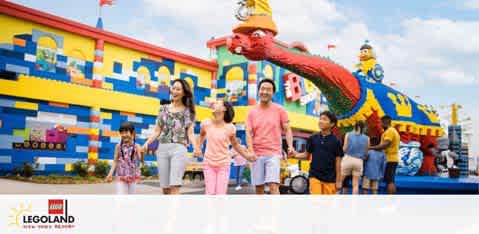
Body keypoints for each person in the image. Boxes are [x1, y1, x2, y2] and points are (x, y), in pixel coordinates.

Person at [142, 79, 200, 195]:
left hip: (179, 148)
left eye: (178, 89)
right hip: (162, 149)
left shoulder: (188, 111)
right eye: (173, 88)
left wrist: (196, 147)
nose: (174, 91)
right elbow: (157, 131)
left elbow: (190, 133)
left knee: (175, 185)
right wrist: (147, 143)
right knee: (165, 188)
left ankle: (174, 213)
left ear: (184, 92)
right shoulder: (163, 109)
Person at [194, 100, 254, 195]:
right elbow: (201, 136)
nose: (214, 103)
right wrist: (197, 148)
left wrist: (247, 157)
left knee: (220, 194)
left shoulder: (230, 128)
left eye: (217, 103)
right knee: (210, 193)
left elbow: (236, 145)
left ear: (224, 109)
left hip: (223, 164)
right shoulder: (206, 123)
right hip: (208, 163)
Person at [246, 78, 294, 195]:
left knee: (273, 185)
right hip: (257, 155)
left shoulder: (280, 110)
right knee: (259, 188)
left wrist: (290, 146)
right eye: (262, 89)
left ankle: (275, 213)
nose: (265, 92)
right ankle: (261, 212)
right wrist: (250, 151)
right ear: (258, 91)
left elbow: (287, 129)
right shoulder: (252, 112)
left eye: (268, 90)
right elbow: (248, 133)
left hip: (273, 153)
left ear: (273, 93)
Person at [295, 111, 344, 195]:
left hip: (330, 179)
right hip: (314, 176)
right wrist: (294, 155)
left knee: (327, 206)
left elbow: (338, 162)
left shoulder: (336, 141)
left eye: (324, 119)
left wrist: (338, 180)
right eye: (320, 119)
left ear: (332, 124)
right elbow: (306, 155)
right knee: (316, 203)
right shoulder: (313, 138)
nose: (321, 121)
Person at [106, 122, 143, 194]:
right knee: (121, 197)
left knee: (131, 199)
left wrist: (142, 152)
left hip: (133, 177)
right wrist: (110, 174)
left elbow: (141, 160)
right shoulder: (118, 146)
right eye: (122, 133)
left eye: (126, 132)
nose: (124, 135)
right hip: (121, 177)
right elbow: (115, 161)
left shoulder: (137, 146)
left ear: (132, 133)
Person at [369, 115, 400, 194]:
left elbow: (385, 145)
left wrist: (370, 148)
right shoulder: (390, 131)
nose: (380, 125)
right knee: (389, 180)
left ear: (384, 122)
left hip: (390, 159)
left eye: (380, 123)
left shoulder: (390, 131)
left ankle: (391, 201)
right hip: (391, 159)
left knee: (390, 181)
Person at [340, 121, 369, 194]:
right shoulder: (367, 138)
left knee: (340, 181)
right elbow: (366, 153)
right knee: (355, 185)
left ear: (355, 126)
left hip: (347, 158)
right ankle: (354, 204)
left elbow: (344, 148)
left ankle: (333, 201)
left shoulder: (348, 134)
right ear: (363, 128)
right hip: (359, 161)